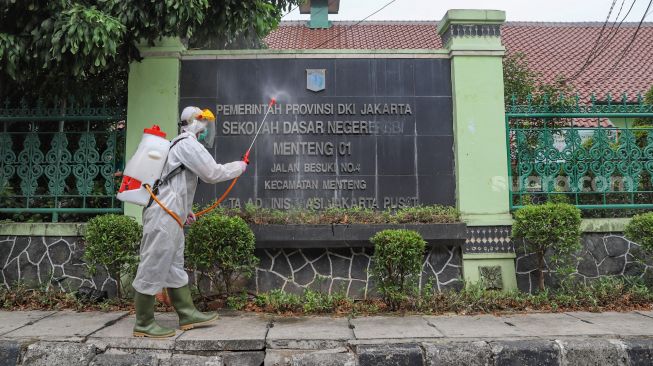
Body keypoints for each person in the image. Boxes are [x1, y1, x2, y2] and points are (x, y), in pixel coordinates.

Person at [131, 106, 247, 338]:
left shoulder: (180, 144)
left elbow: (174, 184)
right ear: (194, 122)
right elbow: (212, 173)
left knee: (173, 266)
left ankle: (187, 314)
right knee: (153, 265)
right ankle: (143, 322)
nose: (206, 130)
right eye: (204, 125)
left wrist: (186, 210)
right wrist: (239, 167)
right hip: (163, 216)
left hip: (172, 215)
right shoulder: (187, 144)